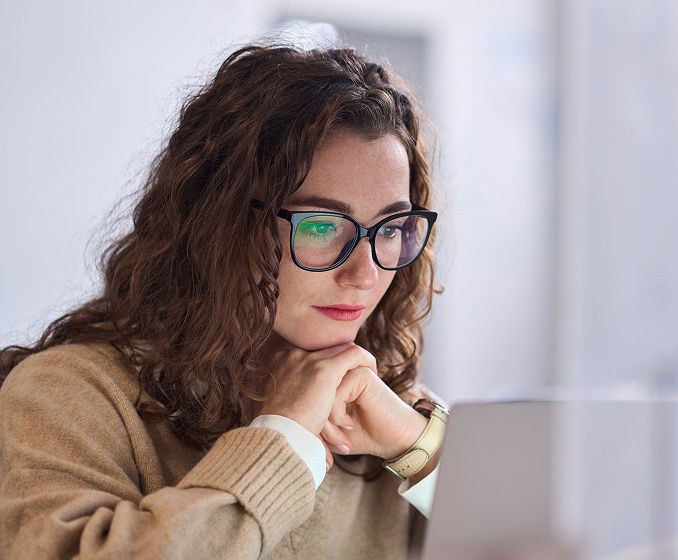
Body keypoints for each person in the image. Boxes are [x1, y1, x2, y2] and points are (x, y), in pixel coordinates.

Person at [0, 41, 447, 559]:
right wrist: (283, 440)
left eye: (390, 228)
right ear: (222, 226)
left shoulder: (389, 407)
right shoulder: (67, 397)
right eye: (321, 224)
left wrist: (422, 450)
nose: (365, 273)